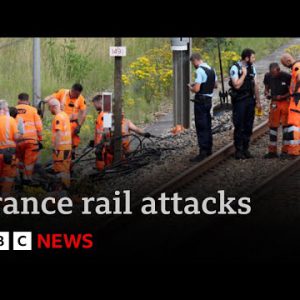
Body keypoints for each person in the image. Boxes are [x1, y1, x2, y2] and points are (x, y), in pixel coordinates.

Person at [91, 94, 151, 171]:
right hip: (110, 154)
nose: (122, 113)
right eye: (119, 111)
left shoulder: (126, 122)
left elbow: (137, 130)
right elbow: (105, 135)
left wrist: (145, 133)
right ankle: (102, 170)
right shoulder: (109, 121)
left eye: (122, 111)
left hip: (124, 153)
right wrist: (99, 144)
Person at [229, 48, 262, 159]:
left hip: (250, 100)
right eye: (252, 57)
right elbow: (237, 85)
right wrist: (243, 74)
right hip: (239, 101)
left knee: (248, 125)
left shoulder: (252, 68)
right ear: (246, 58)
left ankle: (246, 148)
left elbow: (255, 85)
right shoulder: (235, 68)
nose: (254, 59)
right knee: (239, 125)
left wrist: (258, 101)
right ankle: (238, 150)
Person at [45, 83, 87, 160]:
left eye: (79, 94)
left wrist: (79, 126)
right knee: (61, 140)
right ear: (72, 90)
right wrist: (43, 101)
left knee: (73, 142)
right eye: (76, 94)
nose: (77, 96)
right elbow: (51, 97)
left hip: (73, 123)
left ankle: (70, 157)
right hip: (62, 122)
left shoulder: (81, 99)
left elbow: (83, 114)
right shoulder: (62, 92)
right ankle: (62, 157)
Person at [188, 53, 217, 162]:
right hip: (209, 100)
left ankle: (203, 151)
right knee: (207, 123)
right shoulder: (212, 69)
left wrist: (191, 87)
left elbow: (197, 89)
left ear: (196, 60)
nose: (193, 65)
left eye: (192, 63)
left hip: (200, 101)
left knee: (201, 125)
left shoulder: (199, 70)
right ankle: (209, 148)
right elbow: (215, 85)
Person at [263, 63, 291, 158]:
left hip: (285, 102)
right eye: (271, 73)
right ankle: (272, 151)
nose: (272, 75)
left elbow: (291, 91)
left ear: (278, 70)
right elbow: (266, 86)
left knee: (286, 127)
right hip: (274, 103)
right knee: (272, 127)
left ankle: (285, 151)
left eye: (274, 73)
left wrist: (282, 96)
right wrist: (266, 92)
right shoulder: (268, 76)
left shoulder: (287, 76)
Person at [15, 93, 43, 184]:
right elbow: (39, 127)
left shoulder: (13, 110)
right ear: (28, 100)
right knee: (29, 162)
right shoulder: (33, 110)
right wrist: (40, 139)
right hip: (31, 141)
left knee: (20, 161)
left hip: (18, 140)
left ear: (18, 100)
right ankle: (28, 180)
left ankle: (20, 178)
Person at [48, 98, 72, 190]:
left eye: (49, 107)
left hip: (60, 149)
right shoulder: (64, 115)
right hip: (67, 147)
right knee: (65, 170)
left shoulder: (58, 117)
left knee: (60, 170)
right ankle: (67, 189)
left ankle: (61, 192)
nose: (49, 110)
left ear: (54, 107)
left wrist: (56, 148)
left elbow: (59, 133)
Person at [280, 53, 300, 156]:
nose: (286, 67)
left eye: (285, 65)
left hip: (297, 99)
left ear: (288, 60)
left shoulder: (296, 67)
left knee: (294, 125)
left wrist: (295, 91)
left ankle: (294, 150)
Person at [0, 100, 20, 197]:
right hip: (8, 153)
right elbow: (16, 137)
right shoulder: (10, 120)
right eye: (7, 108)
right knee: (8, 177)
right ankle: (4, 199)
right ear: (4, 109)